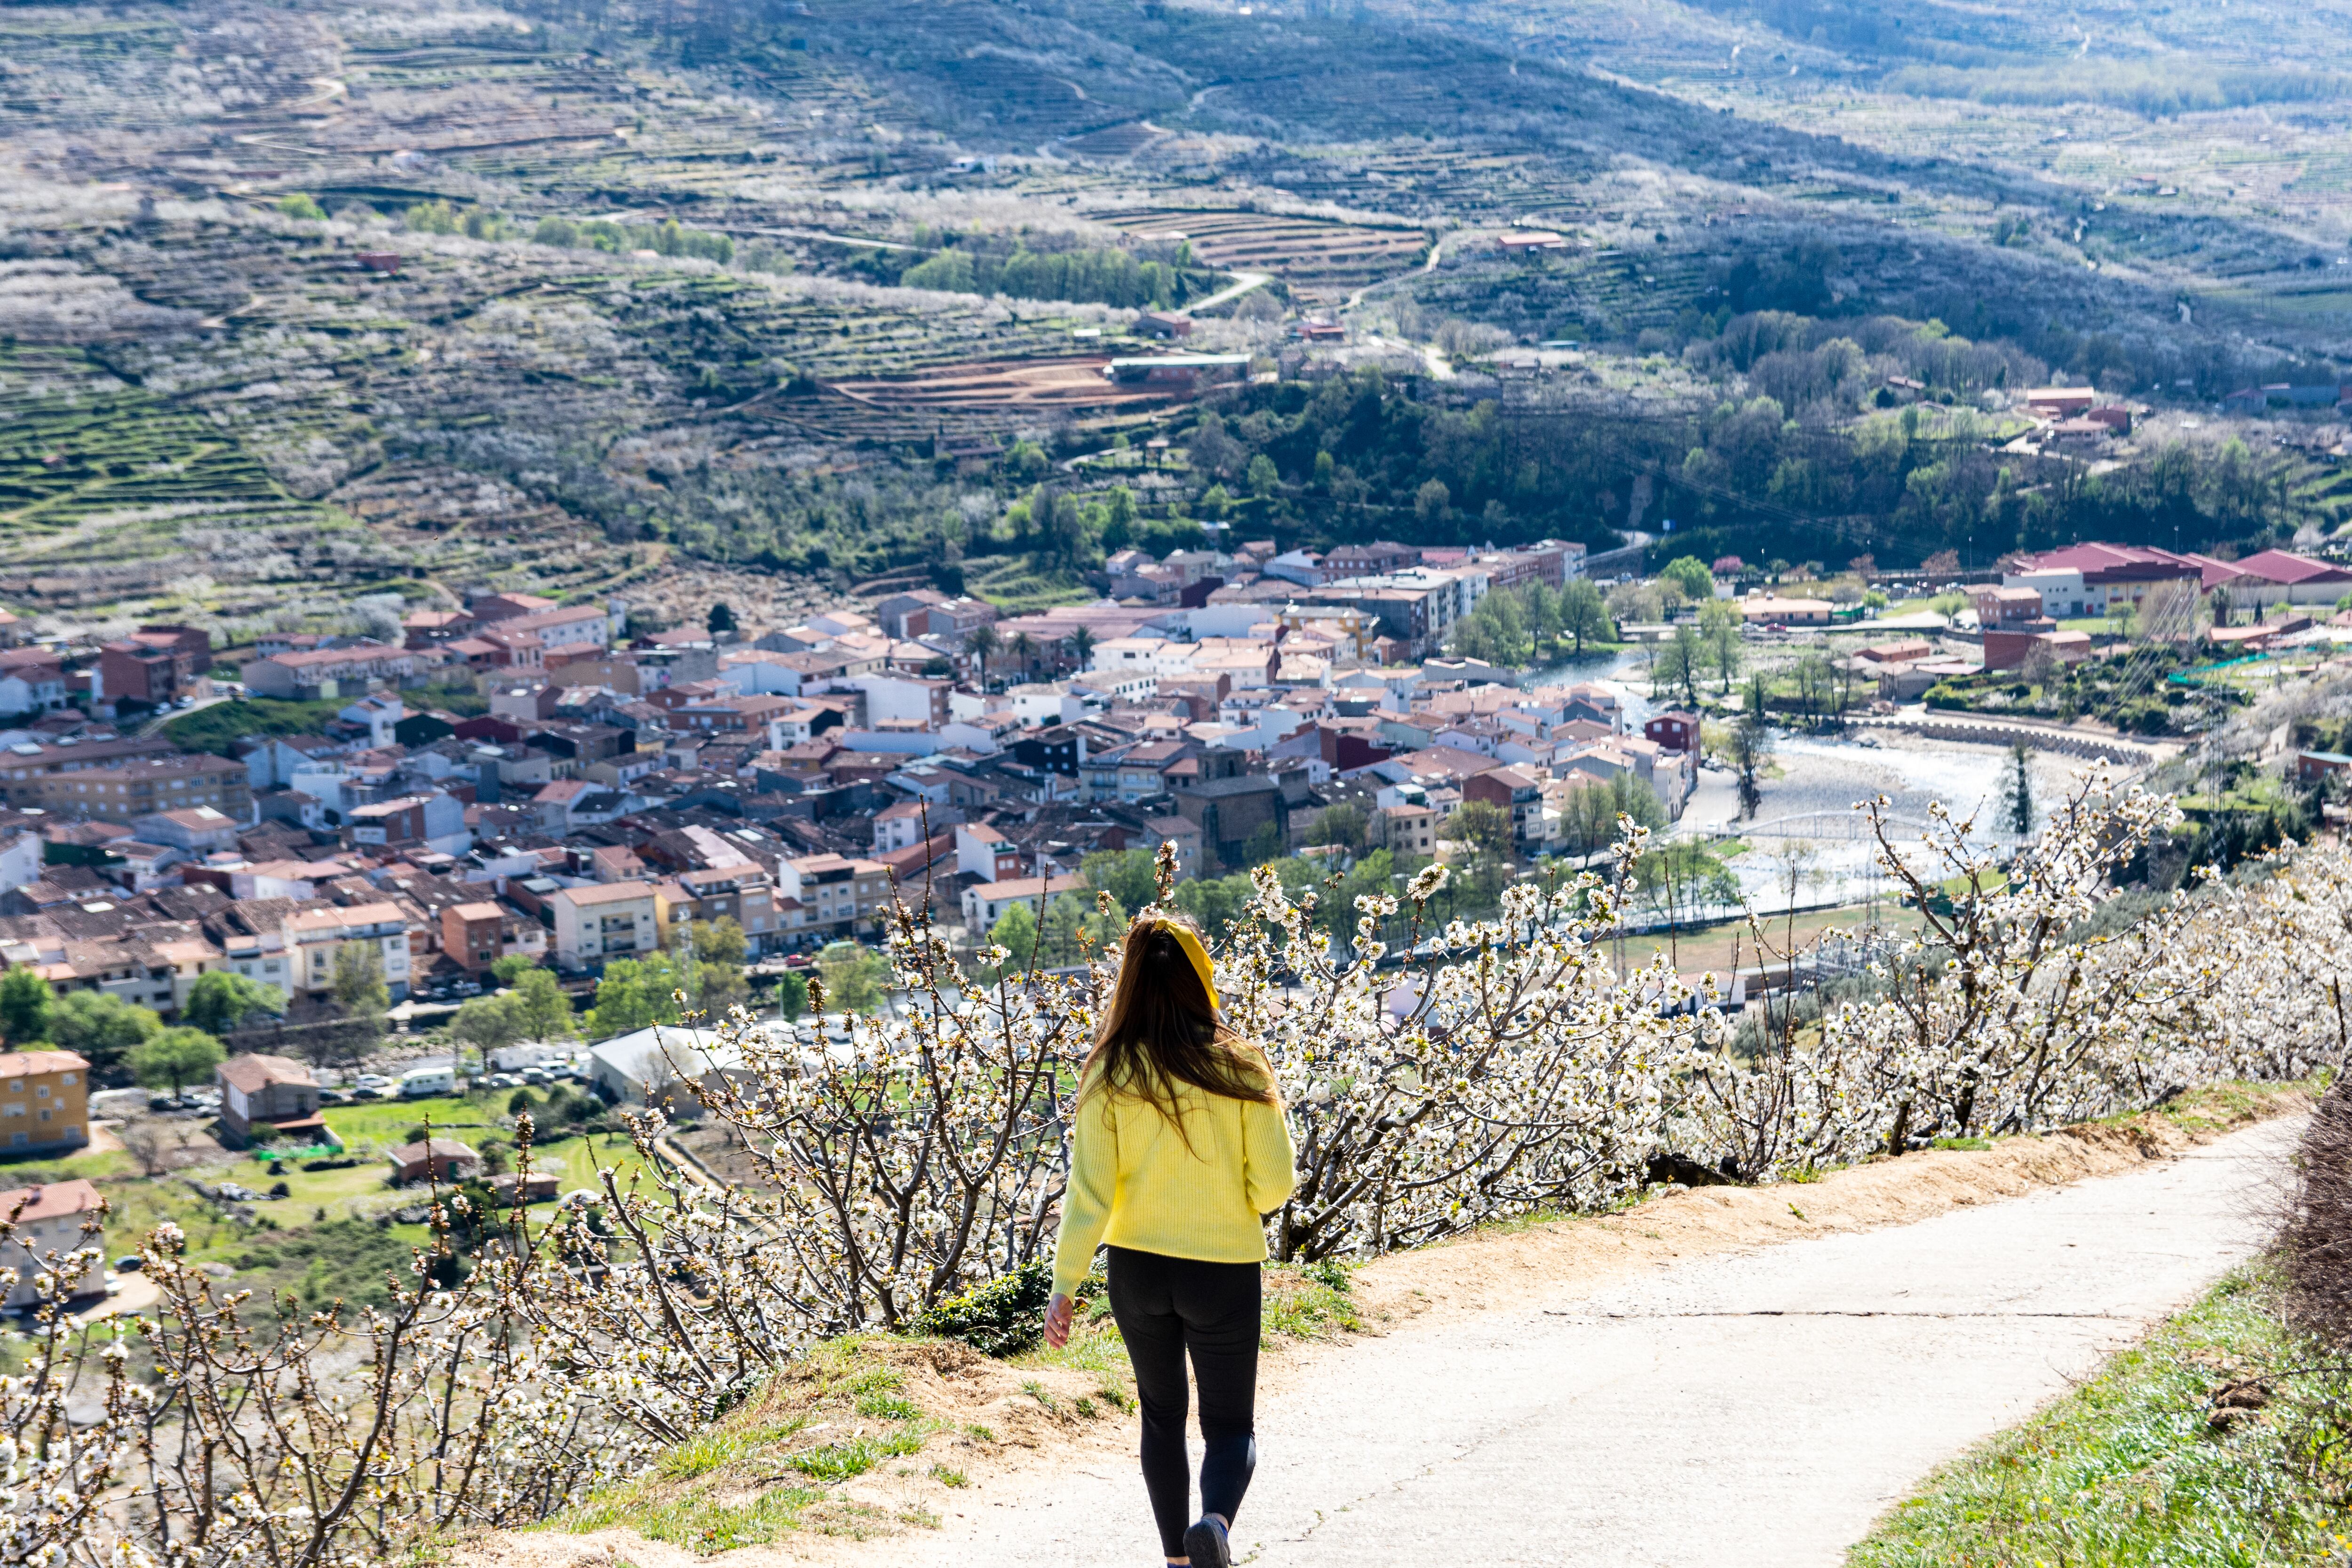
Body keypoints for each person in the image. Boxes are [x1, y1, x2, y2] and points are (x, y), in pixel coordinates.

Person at [1044, 913, 1296, 1568]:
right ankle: (1213, 1524)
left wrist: (1065, 1285)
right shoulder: (1241, 1064)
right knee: (1229, 1426)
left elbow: (1089, 1193)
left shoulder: (1109, 1071)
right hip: (1222, 1267)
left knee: (1161, 1417)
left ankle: (1176, 1561)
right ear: (1201, 977)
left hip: (1138, 1270)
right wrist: (1232, 1201)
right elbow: (1275, 1184)